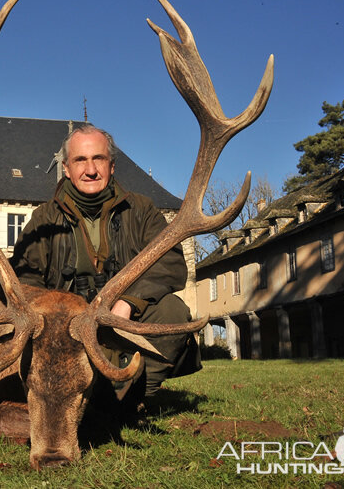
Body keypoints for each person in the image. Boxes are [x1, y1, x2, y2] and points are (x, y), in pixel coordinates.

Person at [10, 124, 201, 405]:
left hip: (122, 323)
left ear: (112, 166)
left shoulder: (141, 210)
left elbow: (169, 262)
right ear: (66, 168)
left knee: (173, 312)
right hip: (65, 330)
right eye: (80, 160)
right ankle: (83, 396)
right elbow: (24, 278)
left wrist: (128, 302)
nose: (90, 170)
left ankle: (129, 396)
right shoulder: (44, 218)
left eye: (98, 159)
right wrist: (52, 318)